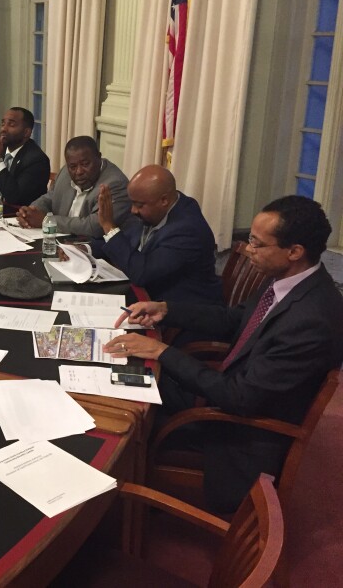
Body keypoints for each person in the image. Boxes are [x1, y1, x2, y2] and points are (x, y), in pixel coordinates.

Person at [105, 196, 343, 513]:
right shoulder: (289, 281)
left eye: (258, 244)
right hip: (226, 391)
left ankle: (118, 507)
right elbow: (232, 320)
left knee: (122, 408)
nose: (246, 249)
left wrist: (161, 351)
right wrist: (166, 310)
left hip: (239, 430)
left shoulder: (311, 321)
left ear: (294, 251)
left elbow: (239, 398)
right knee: (123, 373)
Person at [90, 164, 222, 305]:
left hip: (182, 312)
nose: (133, 210)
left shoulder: (187, 230)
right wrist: (84, 249)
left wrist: (109, 227)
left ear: (164, 200)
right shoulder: (157, 210)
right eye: (132, 203)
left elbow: (142, 274)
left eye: (139, 205)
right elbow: (126, 239)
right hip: (149, 297)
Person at [16, 135, 132, 237]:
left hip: (92, 249)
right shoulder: (66, 172)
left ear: (99, 157)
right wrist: (30, 212)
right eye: (73, 166)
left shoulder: (115, 184)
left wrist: (46, 221)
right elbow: (51, 197)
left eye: (85, 164)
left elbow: (96, 226)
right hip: (60, 241)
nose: (79, 171)